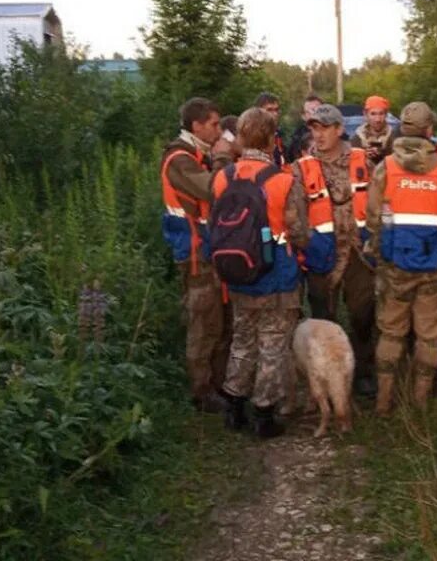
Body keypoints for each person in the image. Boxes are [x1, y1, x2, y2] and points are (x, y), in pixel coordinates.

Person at [212, 108, 310, 438]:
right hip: (276, 276)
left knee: (242, 339)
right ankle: (264, 414)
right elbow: (299, 232)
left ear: (240, 137)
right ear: (271, 139)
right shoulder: (283, 180)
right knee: (273, 344)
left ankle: (234, 407)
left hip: (237, 273)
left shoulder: (223, 177)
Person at [367, 101, 437, 414]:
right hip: (435, 267)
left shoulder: (386, 167)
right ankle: (420, 403)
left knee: (390, 332)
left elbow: (373, 218)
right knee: (429, 337)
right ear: (428, 131)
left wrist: (382, 256)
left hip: (394, 265)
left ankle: (383, 403)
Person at [292, 104, 378, 397]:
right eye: (313, 128)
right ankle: (327, 377)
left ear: (339, 129)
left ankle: (364, 371)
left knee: (363, 314)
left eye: (324, 127)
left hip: (357, 252)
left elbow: (381, 200)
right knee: (323, 318)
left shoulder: (362, 160)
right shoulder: (301, 168)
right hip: (321, 253)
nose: (318, 134)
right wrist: (304, 245)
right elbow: (293, 211)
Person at [160, 97, 233, 413]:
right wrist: (221, 160)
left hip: (210, 251)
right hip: (194, 255)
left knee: (218, 321)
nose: (219, 131)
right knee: (203, 323)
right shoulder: (180, 159)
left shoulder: (196, 155)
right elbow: (211, 189)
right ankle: (201, 392)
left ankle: (219, 384)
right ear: (197, 126)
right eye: (215, 124)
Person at [352, 95, 395, 166]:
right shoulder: (357, 139)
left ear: (386, 115)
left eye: (381, 114)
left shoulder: (394, 136)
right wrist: (363, 155)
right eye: (373, 114)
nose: (377, 119)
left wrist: (383, 153)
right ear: (365, 114)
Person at [287, 94, 323, 164]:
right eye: (310, 111)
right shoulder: (297, 138)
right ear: (304, 116)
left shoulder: (333, 132)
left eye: (317, 110)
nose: (314, 114)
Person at [255, 92, 287, 167]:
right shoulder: (254, 137)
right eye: (269, 110)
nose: (275, 114)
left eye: (276, 110)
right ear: (258, 112)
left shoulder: (278, 135)